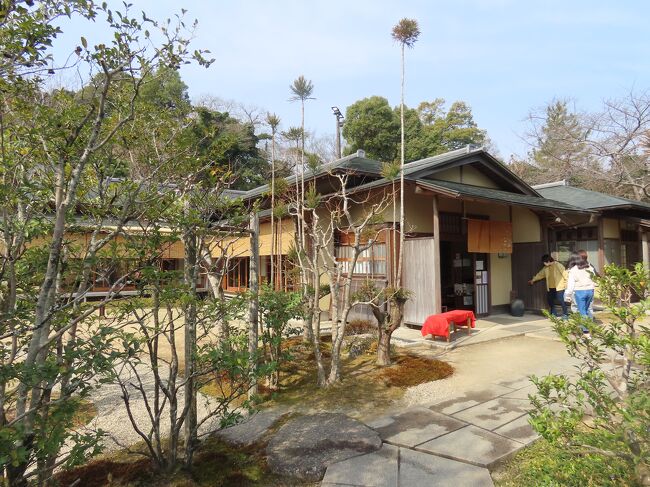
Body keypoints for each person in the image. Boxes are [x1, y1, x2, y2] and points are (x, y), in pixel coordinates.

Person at [564, 251, 596, 336]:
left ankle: (586, 331)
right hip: (590, 290)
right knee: (587, 310)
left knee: (582, 311)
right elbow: (594, 278)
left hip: (579, 291)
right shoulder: (589, 267)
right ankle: (590, 328)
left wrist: (567, 295)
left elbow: (570, 285)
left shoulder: (573, 270)